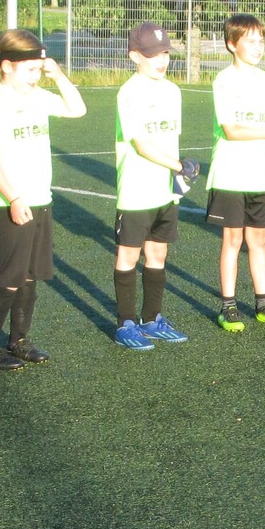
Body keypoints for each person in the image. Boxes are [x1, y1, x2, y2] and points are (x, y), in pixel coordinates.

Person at [0, 29, 86, 369]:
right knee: (9, 277)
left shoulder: (36, 97)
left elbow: (77, 109)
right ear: (7, 66)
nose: (36, 76)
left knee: (30, 276)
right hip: (10, 203)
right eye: (30, 69)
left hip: (39, 199)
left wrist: (58, 74)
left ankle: (18, 339)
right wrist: (14, 197)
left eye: (39, 69)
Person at [206, 14, 265, 333]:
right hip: (230, 176)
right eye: (251, 41)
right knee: (232, 240)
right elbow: (232, 131)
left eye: (261, 41)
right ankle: (228, 306)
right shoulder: (224, 81)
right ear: (232, 44)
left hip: (259, 177)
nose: (258, 47)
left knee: (258, 239)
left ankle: (263, 304)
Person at [112, 21, 193, 349]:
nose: (161, 60)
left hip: (165, 191)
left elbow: (169, 140)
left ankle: (151, 319)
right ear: (134, 56)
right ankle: (125, 323)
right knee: (128, 256)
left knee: (158, 253)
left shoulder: (172, 91)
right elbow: (142, 144)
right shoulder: (129, 92)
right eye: (152, 54)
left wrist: (178, 172)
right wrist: (179, 165)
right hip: (136, 191)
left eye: (165, 53)